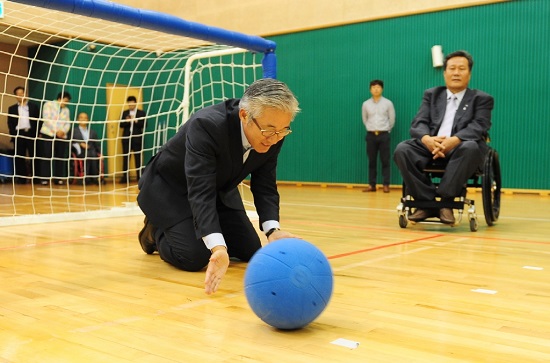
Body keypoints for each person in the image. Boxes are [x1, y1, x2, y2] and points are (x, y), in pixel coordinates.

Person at [137, 78, 301, 295]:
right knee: (195, 257)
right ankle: (155, 230)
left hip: (217, 187)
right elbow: (199, 188)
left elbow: (265, 184)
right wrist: (217, 247)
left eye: (283, 130)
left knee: (250, 249)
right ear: (244, 115)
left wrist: (272, 230)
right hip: (170, 188)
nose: (275, 138)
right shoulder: (206, 125)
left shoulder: (274, 131)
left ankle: (194, 231)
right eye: (270, 130)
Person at [393, 50, 494, 224]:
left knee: (471, 147)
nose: (456, 72)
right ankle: (426, 203)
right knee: (403, 149)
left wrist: (454, 140)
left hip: (461, 146)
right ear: (444, 73)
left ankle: (446, 203)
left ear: (469, 73)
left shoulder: (482, 98)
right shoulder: (431, 94)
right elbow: (419, 122)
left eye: (461, 69)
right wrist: (427, 139)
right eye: (452, 68)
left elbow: (479, 125)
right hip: (431, 144)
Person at [361, 79, 395, 193]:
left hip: (384, 135)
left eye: (378, 87)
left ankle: (386, 184)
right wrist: (370, 128)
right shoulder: (365, 104)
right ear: (370, 89)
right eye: (373, 87)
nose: (376, 89)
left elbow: (392, 119)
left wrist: (386, 130)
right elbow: (365, 119)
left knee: (385, 161)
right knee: (372, 161)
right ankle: (372, 185)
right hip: (371, 135)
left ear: (382, 89)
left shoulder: (388, 103)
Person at [7, 86, 41, 184]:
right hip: (18, 134)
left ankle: (36, 178)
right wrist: (13, 135)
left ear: (26, 94)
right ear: (15, 96)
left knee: (34, 156)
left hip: (31, 133)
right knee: (19, 157)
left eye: (22, 93)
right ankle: (21, 179)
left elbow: (39, 121)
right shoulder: (12, 108)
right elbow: (10, 123)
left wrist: (37, 134)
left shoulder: (34, 107)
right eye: (18, 94)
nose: (20, 95)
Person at [38, 91, 72, 185]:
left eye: (67, 102)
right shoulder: (48, 105)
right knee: (47, 156)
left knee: (60, 157)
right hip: (49, 133)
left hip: (61, 136)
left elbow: (68, 123)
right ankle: (44, 178)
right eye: (65, 101)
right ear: (59, 99)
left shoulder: (66, 110)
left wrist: (63, 131)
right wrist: (56, 130)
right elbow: (46, 119)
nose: (66, 103)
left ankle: (58, 179)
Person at [119, 96, 146, 183]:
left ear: (135, 103)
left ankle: (139, 177)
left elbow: (144, 124)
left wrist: (135, 121)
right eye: (129, 103)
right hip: (126, 138)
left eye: (132, 103)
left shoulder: (141, 113)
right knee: (126, 158)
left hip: (137, 138)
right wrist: (126, 121)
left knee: (138, 158)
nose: (131, 105)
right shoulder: (124, 113)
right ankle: (125, 177)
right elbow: (120, 125)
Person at [71, 112, 101, 185]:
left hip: (91, 150)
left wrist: (100, 153)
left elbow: (96, 144)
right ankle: (85, 177)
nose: (83, 119)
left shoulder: (92, 132)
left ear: (88, 120)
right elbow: (71, 141)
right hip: (80, 151)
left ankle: (94, 177)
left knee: (93, 154)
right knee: (87, 154)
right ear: (78, 119)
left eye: (85, 118)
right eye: (81, 117)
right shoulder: (74, 131)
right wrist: (80, 143)